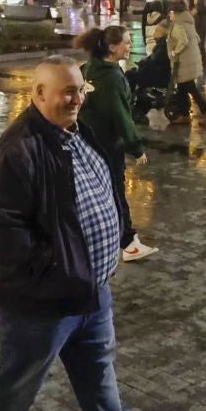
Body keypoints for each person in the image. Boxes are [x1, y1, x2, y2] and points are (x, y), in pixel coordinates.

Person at [0, 57, 169, 411]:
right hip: (42, 301)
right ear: (38, 94)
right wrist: (55, 272)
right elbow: (2, 230)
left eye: (80, 89)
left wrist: (119, 235)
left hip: (91, 290)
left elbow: (107, 188)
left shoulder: (79, 132)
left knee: (98, 371)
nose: (76, 98)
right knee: (17, 385)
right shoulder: (18, 150)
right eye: (66, 91)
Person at [76, 25, 154, 264]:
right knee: (116, 191)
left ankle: (90, 238)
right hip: (106, 145)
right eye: (127, 43)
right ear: (112, 48)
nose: (130, 47)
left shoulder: (88, 68)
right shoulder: (111, 77)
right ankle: (128, 243)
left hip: (86, 142)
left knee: (96, 191)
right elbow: (120, 115)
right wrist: (136, 147)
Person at [165, 1, 206, 122]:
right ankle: (186, 114)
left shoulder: (177, 25)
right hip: (190, 62)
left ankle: (202, 112)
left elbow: (184, 41)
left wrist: (174, 52)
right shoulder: (189, 23)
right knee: (185, 89)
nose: (170, 15)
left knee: (189, 89)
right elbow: (197, 39)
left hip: (182, 64)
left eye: (171, 13)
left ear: (175, 13)